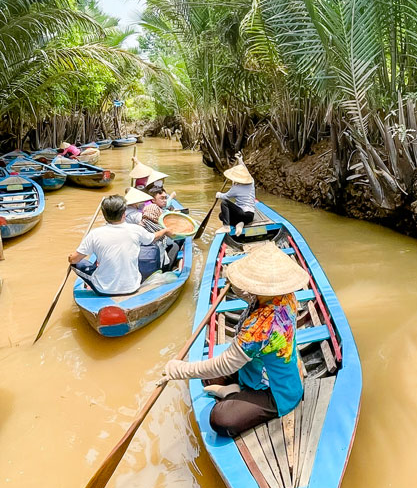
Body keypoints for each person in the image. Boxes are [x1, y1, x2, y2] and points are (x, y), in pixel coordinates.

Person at [159, 241, 309, 437]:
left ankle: (231, 392)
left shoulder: (261, 325)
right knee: (206, 377)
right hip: (255, 368)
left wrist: (178, 370)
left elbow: (224, 364)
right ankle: (236, 388)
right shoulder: (286, 296)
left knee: (220, 419)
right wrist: (235, 283)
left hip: (277, 390)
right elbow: (252, 297)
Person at [68, 195, 172, 295]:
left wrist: (70, 257)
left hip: (103, 289)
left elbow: (74, 260)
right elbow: (153, 237)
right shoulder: (136, 230)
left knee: (77, 263)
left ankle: (94, 282)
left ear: (104, 215)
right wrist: (165, 230)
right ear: (123, 214)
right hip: (132, 287)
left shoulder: (94, 234)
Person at [216, 156, 256, 237]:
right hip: (250, 216)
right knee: (221, 215)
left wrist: (218, 194)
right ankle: (239, 223)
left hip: (243, 213)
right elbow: (245, 170)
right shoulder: (252, 182)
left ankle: (226, 227)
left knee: (224, 204)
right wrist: (240, 160)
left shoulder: (235, 188)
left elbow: (225, 197)